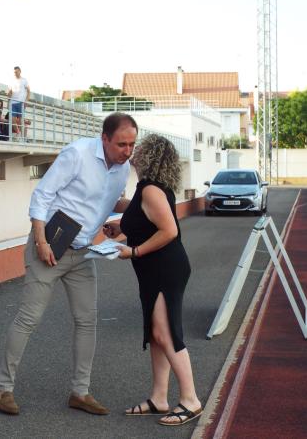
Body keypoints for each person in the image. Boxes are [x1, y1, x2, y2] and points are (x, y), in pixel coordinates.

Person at [0, 112, 138, 416]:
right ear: (105, 139)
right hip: (50, 248)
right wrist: (42, 242)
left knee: (87, 321)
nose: (128, 151)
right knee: (29, 319)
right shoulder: (77, 155)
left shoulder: (123, 169)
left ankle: (80, 393)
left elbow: (107, 200)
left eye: (132, 145)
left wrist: (135, 210)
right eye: (122, 144)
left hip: (84, 252)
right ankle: (3, 389)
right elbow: (42, 197)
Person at [107, 134, 202, 426]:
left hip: (164, 268)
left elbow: (169, 231)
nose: (132, 152)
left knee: (166, 333)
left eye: (139, 149)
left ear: (148, 156)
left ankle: (190, 400)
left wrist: (133, 250)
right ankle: (159, 398)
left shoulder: (150, 191)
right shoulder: (147, 189)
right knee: (156, 334)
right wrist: (119, 228)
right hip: (153, 269)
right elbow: (140, 218)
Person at [7, 66, 30, 137]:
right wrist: (8, 100)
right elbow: (8, 93)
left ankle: (21, 135)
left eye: (16, 72)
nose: (15, 73)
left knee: (20, 120)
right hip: (13, 102)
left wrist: (26, 101)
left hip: (21, 102)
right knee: (12, 119)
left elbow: (29, 91)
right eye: (14, 72)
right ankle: (18, 131)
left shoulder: (24, 80)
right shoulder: (11, 81)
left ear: (20, 71)